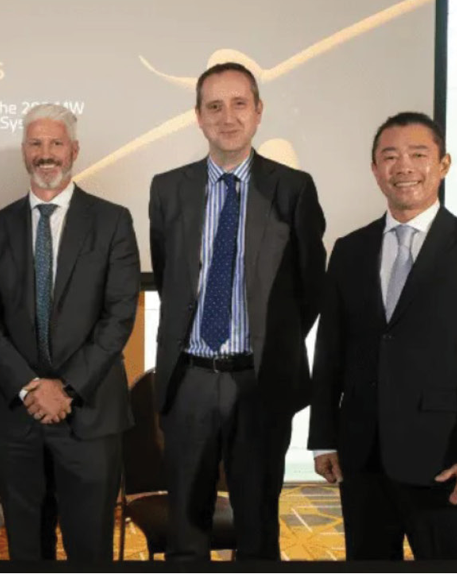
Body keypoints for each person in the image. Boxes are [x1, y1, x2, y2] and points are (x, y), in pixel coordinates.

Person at [147, 62, 326, 561]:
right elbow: (171, 275)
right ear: (198, 117)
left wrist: (273, 343)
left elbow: (310, 286)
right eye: (214, 106)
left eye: (239, 104)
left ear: (259, 111)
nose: (228, 117)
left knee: (258, 528)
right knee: (186, 528)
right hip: (190, 379)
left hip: (260, 380)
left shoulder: (293, 189)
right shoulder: (168, 189)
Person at [309, 112, 457, 560]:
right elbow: (330, 350)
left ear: (444, 164)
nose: (403, 166)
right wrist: (324, 438)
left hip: (445, 464)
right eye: (389, 156)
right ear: (375, 169)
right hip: (362, 458)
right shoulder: (349, 250)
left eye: (418, 154)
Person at [0, 104, 137, 562]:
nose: (46, 154)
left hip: (89, 415)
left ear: (74, 150)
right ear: (24, 152)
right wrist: (30, 387)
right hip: (17, 418)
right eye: (36, 144)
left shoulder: (112, 222)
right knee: (27, 553)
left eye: (56, 143)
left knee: (90, 552)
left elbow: (119, 314)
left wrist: (64, 388)